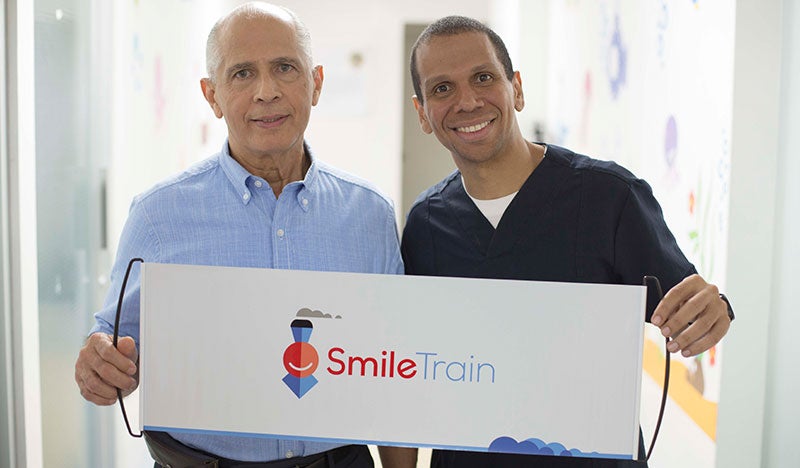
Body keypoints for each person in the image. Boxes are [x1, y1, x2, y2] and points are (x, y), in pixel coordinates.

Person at [378, 15, 733, 468]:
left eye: (483, 78)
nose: (466, 100)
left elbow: (689, 309)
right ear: (422, 113)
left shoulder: (610, 198)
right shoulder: (427, 224)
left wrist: (712, 311)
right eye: (442, 88)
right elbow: (412, 366)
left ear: (517, 90)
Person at [74, 3, 401, 467]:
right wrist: (100, 366)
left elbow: (395, 371)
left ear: (316, 83)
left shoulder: (370, 215)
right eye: (242, 73)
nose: (266, 92)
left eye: (285, 68)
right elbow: (114, 340)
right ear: (212, 95)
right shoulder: (158, 215)